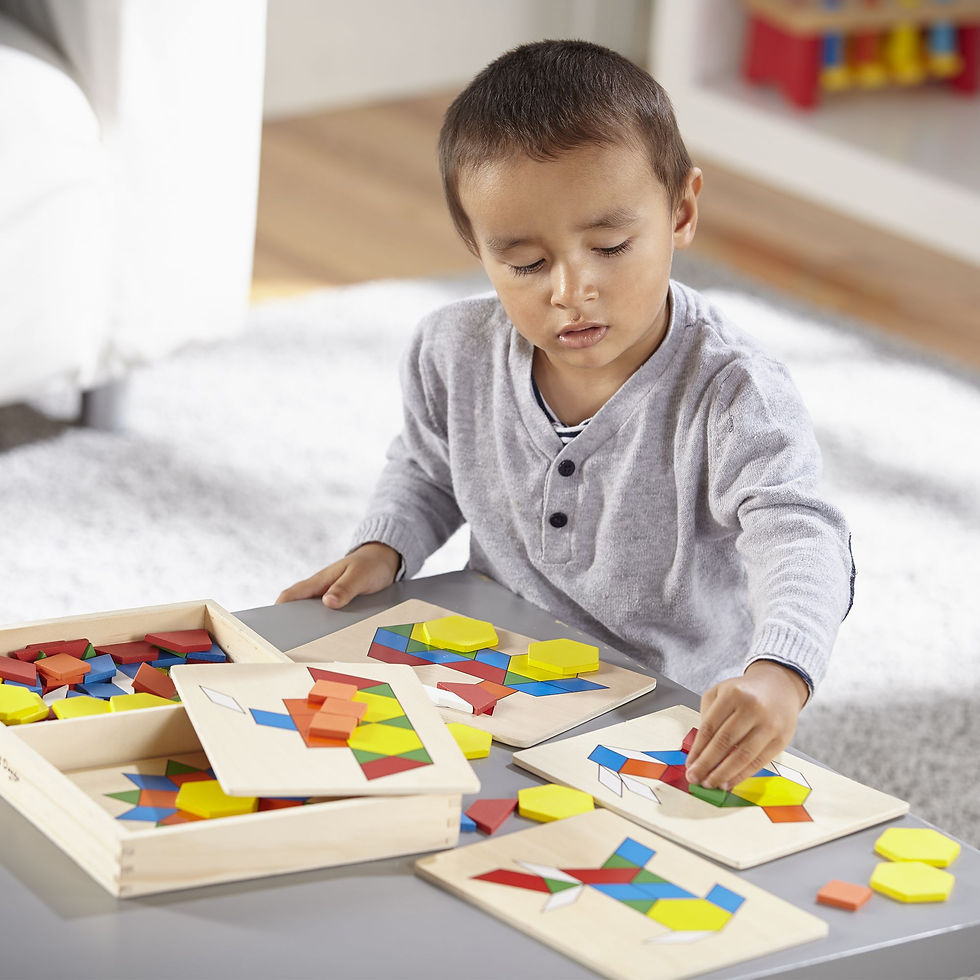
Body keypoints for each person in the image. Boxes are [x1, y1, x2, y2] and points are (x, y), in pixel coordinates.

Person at [278, 40, 855, 793]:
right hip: (493, 666)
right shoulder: (452, 349)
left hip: (663, 709)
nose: (569, 290)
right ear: (477, 248)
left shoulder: (733, 392)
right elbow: (427, 468)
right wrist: (384, 546)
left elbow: (803, 537)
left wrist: (779, 672)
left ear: (681, 211)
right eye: (524, 263)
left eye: (610, 246)